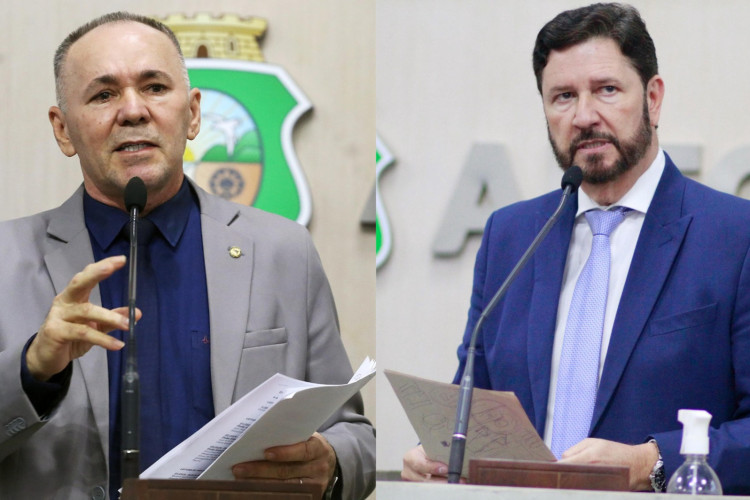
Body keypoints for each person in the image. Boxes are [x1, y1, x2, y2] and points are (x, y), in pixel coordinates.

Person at [0, 12, 374, 500]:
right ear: (63, 129)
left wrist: (333, 463)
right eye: (103, 94)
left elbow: (356, 438)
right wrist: (34, 370)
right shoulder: (6, 259)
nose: (133, 111)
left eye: (154, 87)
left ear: (193, 113)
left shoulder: (283, 251)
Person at [403, 2, 750, 494]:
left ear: (653, 97)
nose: (585, 116)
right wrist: (443, 449)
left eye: (607, 90)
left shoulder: (736, 236)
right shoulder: (511, 234)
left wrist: (651, 461)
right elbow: (473, 403)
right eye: (563, 96)